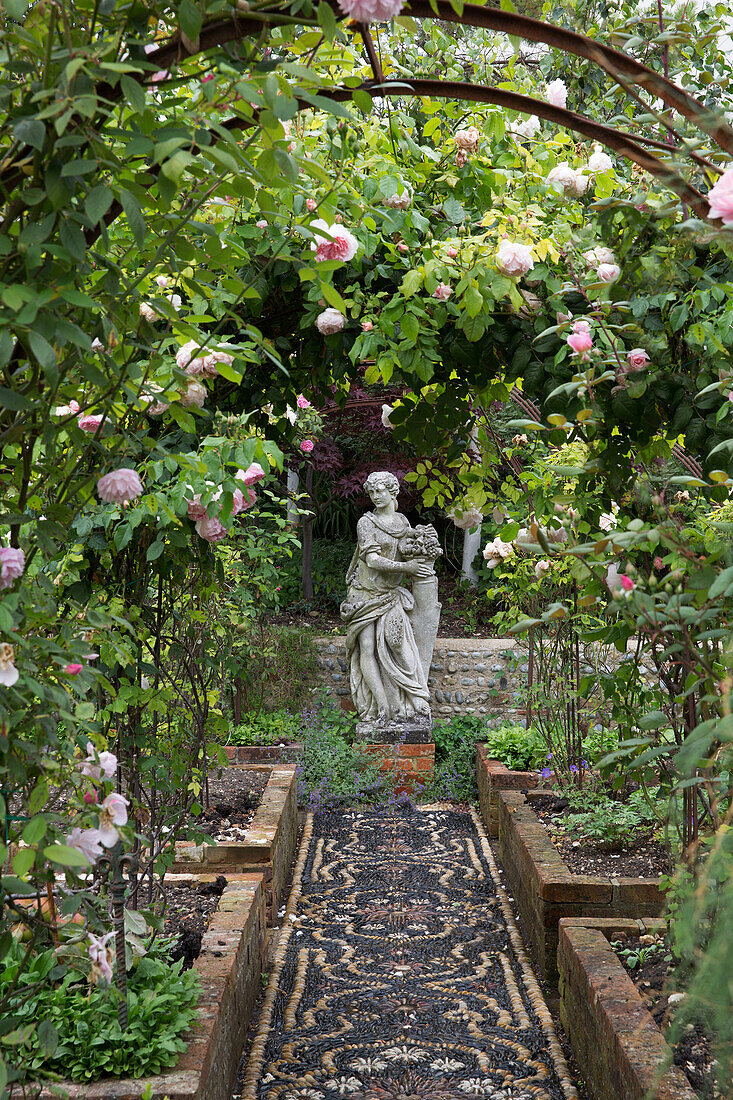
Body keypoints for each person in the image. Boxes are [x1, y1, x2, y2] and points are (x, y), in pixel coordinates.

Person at [340, 471, 433, 725]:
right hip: (364, 593)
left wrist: (424, 545)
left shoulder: (403, 522)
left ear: (393, 491)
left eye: (380, 490)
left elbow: (407, 551)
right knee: (367, 647)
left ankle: (415, 696)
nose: (376, 496)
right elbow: (372, 560)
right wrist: (408, 568)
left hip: (390, 595)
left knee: (396, 641)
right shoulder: (366, 522)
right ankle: (382, 709)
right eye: (371, 492)